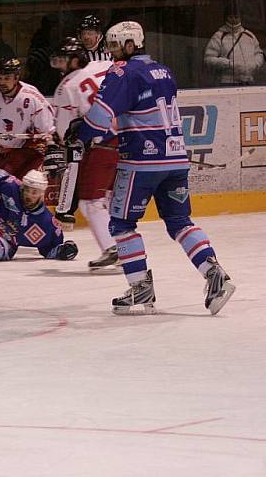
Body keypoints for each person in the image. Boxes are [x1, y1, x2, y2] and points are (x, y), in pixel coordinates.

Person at [68, 21, 235, 315]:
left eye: (117, 45)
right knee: (180, 223)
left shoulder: (122, 72)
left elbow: (98, 118)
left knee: (120, 224)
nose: (112, 52)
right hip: (176, 160)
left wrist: (78, 132)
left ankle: (140, 287)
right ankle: (215, 275)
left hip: (141, 163)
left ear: (132, 44)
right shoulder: (164, 70)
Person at [47, 37, 117, 269]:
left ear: (76, 60)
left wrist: (57, 138)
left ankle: (113, 248)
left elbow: (65, 130)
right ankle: (125, 245)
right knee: (108, 197)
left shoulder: (66, 87)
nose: (59, 66)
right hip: (128, 135)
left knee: (90, 202)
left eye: (63, 61)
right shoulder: (105, 65)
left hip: (102, 144)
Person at [204, 5, 264, 86]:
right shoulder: (219, 36)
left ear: (240, 18)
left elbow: (259, 53)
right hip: (227, 82)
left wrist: (255, 64)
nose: (234, 20)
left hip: (248, 81)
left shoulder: (249, 35)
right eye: (231, 17)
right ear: (226, 18)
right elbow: (209, 59)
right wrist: (228, 64)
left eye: (236, 17)